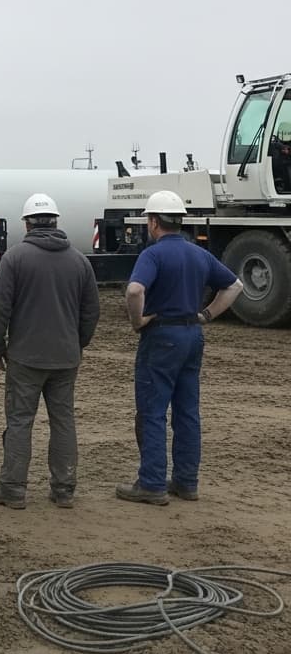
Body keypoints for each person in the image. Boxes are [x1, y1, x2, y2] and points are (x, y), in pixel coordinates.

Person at [116, 189, 243, 505]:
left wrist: (137, 322)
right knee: (187, 412)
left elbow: (134, 290)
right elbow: (235, 285)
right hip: (192, 335)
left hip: (161, 336)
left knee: (153, 411)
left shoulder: (153, 254)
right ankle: (186, 482)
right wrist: (206, 315)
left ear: (154, 221)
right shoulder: (199, 254)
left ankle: (152, 484)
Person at [0, 193, 101, 510]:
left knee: (21, 420)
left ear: (27, 223)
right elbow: (92, 311)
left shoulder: (15, 259)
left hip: (25, 357)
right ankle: (64, 490)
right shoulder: (79, 261)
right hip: (66, 358)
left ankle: (13, 490)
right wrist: (78, 343)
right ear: (56, 222)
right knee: (63, 421)